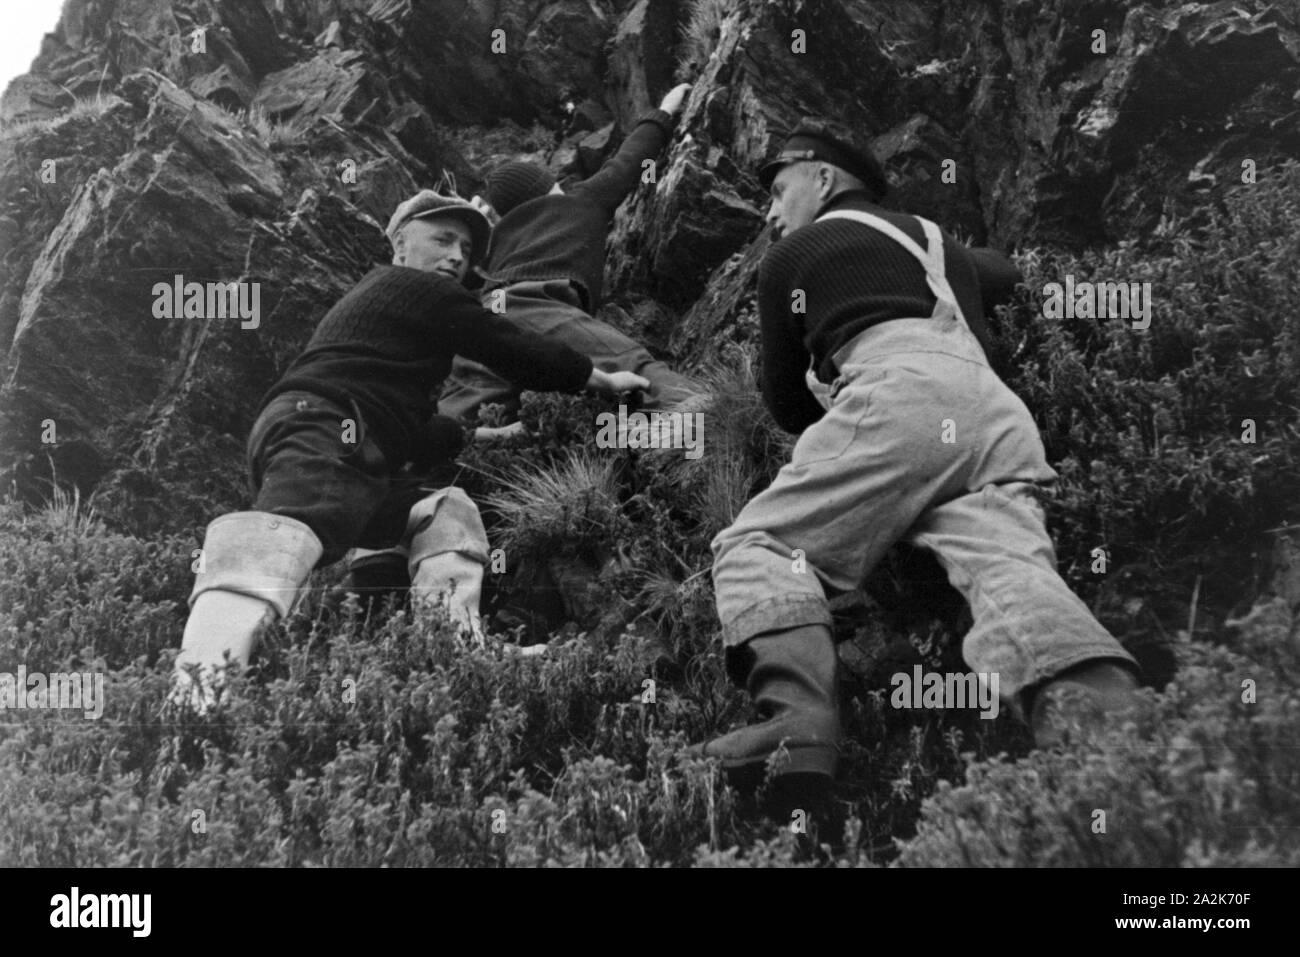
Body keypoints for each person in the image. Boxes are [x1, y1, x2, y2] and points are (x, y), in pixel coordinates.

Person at [692, 118, 1142, 797]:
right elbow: (1010, 274)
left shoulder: (793, 256)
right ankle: (1107, 730)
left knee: (756, 543)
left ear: (822, 179)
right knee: (1008, 566)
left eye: (780, 190)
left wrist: (873, 454)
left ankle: (799, 723)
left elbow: (784, 404)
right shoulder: (938, 241)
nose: (772, 212)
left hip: (897, 395)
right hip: (995, 415)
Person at [170, 190, 648, 711]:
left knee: (443, 510)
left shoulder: (401, 328)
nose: (456, 257)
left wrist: (486, 437)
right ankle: (199, 690)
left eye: (466, 249)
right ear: (399, 244)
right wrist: (595, 377)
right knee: (283, 529)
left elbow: (418, 431)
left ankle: (456, 651)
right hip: (326, 420)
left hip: (351, 434)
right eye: (442, 239)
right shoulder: (408, 286)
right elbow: (504, 343)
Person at [438, 82, 705, 429]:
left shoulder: (497, 240)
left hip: (486, 316)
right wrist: (665, 111)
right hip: (535, 305)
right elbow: (628, 162)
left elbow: (464, 278)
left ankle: (444, 462)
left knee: (471, 408)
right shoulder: (577, 201)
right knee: (629, 363)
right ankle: (710, 416)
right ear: (546, 190)